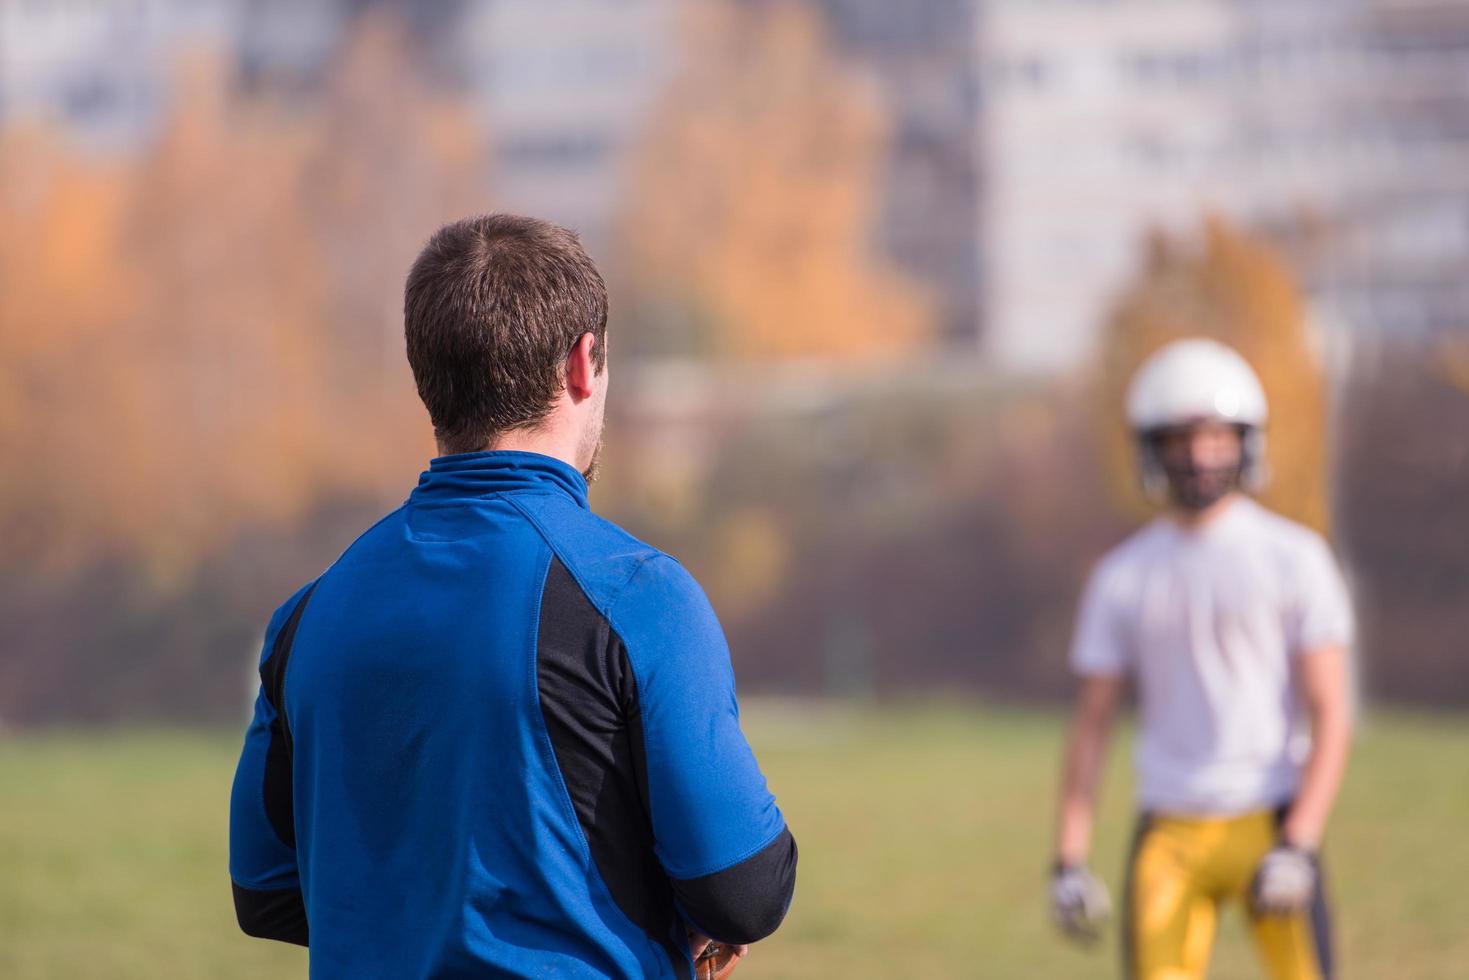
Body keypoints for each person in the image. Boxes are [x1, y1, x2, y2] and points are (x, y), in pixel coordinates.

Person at [228, 214, 796, 979]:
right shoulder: (638, 595)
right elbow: (744, 891)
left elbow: (264, 889)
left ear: (426, 373)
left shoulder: (307, 615)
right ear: (581, 365)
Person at [1050, 339, 1353, 980]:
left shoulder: (1295, 558)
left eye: (1215, 437)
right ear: (1151, 448)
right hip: (1170, 830)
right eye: (1181, 439)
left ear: (1246, 441)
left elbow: (1331, 713)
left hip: (1270, 817)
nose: (1198, 455)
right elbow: (1092, 727)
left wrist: (1299, 841)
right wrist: (1068, 860)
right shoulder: (1122, 576)